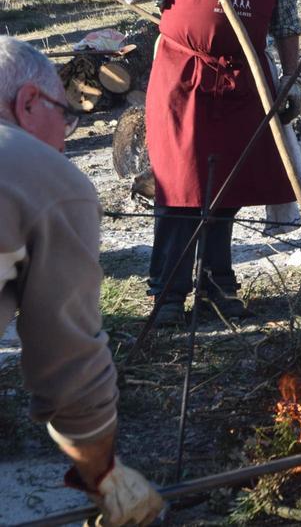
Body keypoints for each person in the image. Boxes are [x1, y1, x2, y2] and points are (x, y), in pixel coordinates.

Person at [118, 0, 301, 324]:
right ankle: (167, 295)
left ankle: (217, 287)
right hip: (184, 76)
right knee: (179, 185)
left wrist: (290, 79)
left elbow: (285, 14)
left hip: (245, 78)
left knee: (228, 187)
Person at [0, 37, 165, 525]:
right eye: (65, 115)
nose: (66, 137)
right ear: (29, 102)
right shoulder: (41, 173)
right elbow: (67, 356)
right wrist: (103, 475)